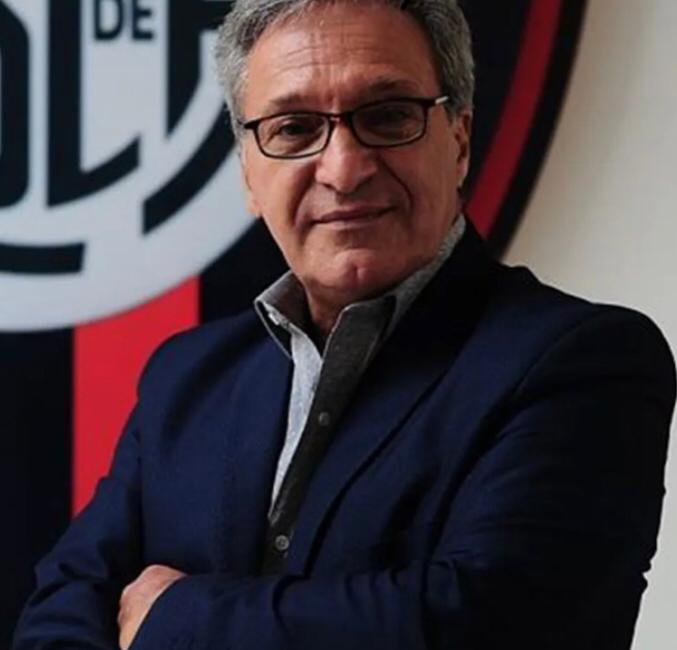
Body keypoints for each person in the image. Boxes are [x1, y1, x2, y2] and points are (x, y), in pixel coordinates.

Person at [13, 1, 676, 648]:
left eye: (388, 117)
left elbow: (492, 622)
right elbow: (63, 607)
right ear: (249, 173)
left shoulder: (582, 361)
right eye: (294, 129)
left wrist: (177, 618)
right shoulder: (187, 377)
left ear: (459, 141)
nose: (344, 168)